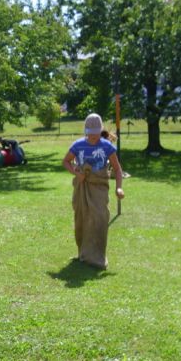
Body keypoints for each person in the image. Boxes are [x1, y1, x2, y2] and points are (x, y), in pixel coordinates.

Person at [62, 113, 125, 269]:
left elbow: (117, 169)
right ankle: (83, 254)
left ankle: (97, 256)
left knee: (100, 218)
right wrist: (77, 174)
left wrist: (119, 187)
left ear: (100, 131)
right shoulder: (77, 145)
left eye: (96, 134)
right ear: (86, 131)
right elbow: (66, 162)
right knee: (82, 219)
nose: (93, 137)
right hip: (82, 187)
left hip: (99, 186)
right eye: (91, 134)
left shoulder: (106, 146)